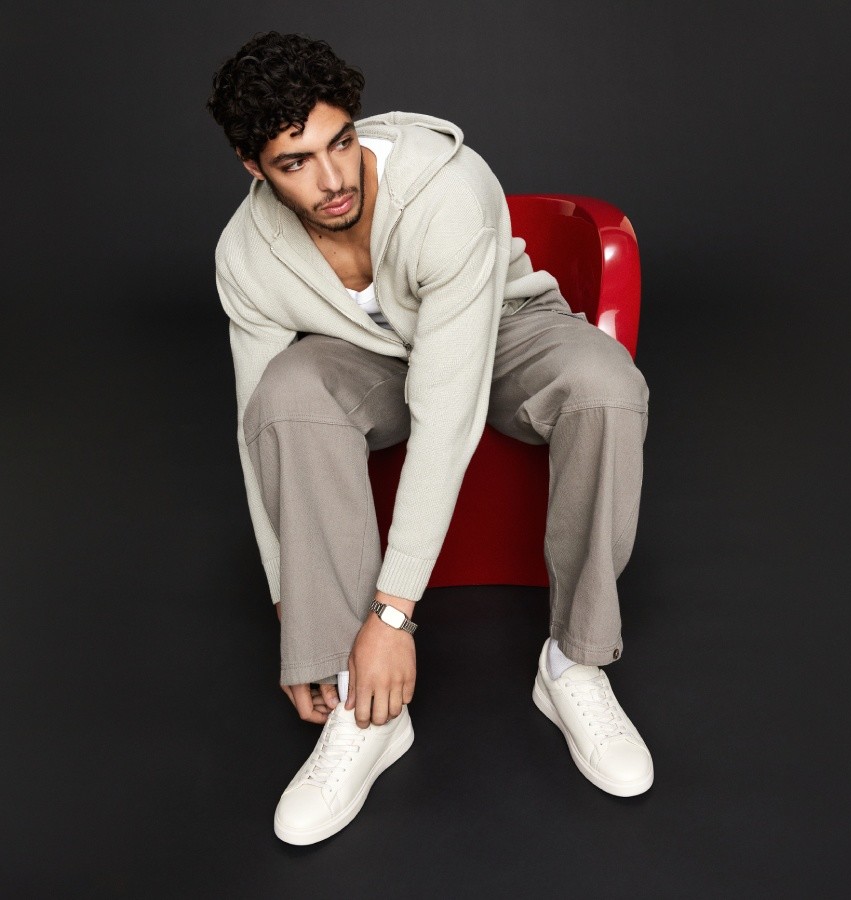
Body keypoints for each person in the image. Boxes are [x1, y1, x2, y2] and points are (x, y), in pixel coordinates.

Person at [207, 31, 653, 845]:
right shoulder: (246, 256)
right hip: (369, 358)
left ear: (357, 123)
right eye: (295, 161)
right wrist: (292, 609)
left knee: (606, 389)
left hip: (506, 329)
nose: (334, 179)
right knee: (286, 395)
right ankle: (362, 706)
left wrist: (394, 615)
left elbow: (449, 407)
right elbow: (254, 433)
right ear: (252, 165)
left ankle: (575, 663)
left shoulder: (448, 188)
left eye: (339, 142)